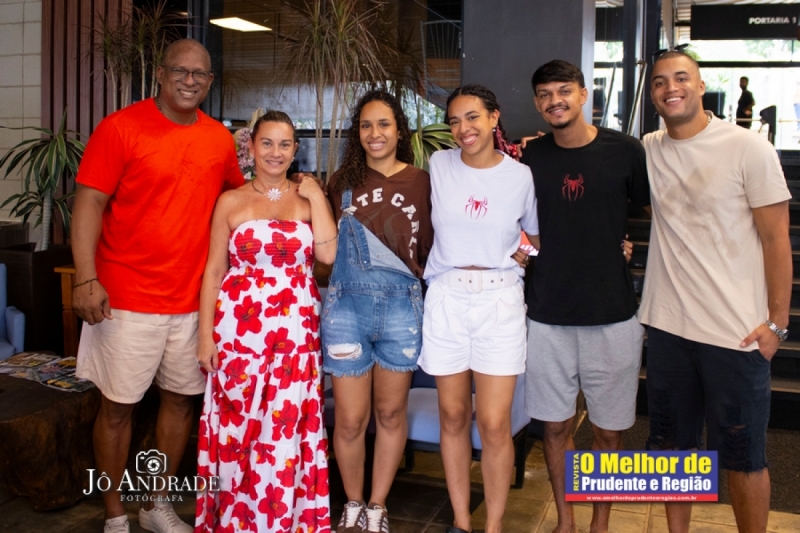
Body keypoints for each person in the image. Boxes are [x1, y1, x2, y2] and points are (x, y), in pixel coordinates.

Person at [71, 39, 244, 533]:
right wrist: (85, 277)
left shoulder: (218, 139)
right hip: (125, 298)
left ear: (209, 83)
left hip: (192, 302)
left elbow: (238, 202)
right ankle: (114, 515)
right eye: (180, 71)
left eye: (199, 74)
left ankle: (154, 505)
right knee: (116, 409)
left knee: (180, 401)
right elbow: (88, 203)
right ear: (161, 75)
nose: (189, 81)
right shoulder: (120, 128)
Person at [641, 51, 792, 533]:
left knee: (744, 457)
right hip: (669, 330)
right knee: (672, 453)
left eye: (681, 78)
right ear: (652, 94)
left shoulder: (748, 148)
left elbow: (777, 239)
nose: (671, 88)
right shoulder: (649, 148)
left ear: (701, 85)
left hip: (736, 335)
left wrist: (777, 325)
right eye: (660, 82)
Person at [520, 59, 650, 533]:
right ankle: (566, 522)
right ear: (537, 103)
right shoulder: (530, 158)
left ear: (582, 94)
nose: (555, 100)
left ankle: (600, 524)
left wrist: (629, 245)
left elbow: (651, 212)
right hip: (547, 315)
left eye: (563, 90)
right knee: (555, 427)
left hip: (612, 315)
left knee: (608, 432)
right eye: (545, 94)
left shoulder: (626, 151)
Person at [194, 110, 337, 531]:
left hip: (295, 335)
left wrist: (317, 196)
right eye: (268, 143)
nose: (276, 152)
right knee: (239, 427)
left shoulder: (307, 197)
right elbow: (213, 272)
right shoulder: (231, 201)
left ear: (295, 150)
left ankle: (284, 522)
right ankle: (239, 521)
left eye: (285, 144)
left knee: (286, 429)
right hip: (240, 334)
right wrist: (205, 338)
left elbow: (328, 254)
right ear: (252, 147)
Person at [418, 84, 539, 533]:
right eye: (454, 120)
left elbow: (537, 236)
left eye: (472, 117)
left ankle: (493, 526)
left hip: (499, 299)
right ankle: (461, 521)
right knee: (452, 416)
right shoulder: (439, 165)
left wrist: (523, 255)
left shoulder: (520, 176)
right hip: (447, 295)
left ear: (493, 118)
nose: (463, 128)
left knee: (492, 422)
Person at [321, 90, 433, 533]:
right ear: (358, 133)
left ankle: (377, 506)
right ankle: (352, 502)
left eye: (384, 124)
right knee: (350, 419)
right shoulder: (340, 183)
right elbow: (324, 250)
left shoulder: (423, 182)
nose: (375, 133)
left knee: (390, 415)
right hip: (346, 310)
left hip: (403, 310)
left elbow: (438, 244)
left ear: (399, 130)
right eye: (366, 125)